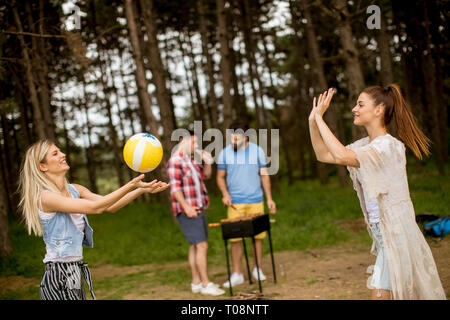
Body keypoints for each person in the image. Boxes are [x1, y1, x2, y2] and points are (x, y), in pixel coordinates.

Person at [308, 85, 446, 300]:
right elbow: (323, 154)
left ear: (379, 109)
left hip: (396, 235)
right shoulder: (365, 145)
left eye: (360, 104)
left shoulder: (388, 147)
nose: (354, 109)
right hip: (383, 236)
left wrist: (321, 119)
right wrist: (312, 121)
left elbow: (343, 156)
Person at [18, 139, 169, 300]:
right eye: (55, 153)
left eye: (60, 151)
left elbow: (110, 206)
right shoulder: (46, 197)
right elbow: (97, 208)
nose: (63, 155)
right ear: (43, 166)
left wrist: (141, 190)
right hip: (59, 276)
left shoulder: (75, 189)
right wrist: (131, 185)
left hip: (75, 271)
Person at [216, 122, 276, 288]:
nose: (233, 141)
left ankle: (257, 269)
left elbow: (264, 176)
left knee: (257, 237)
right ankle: (237, 274)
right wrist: (225, 194)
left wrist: (269, 198)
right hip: (235, 203)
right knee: (235, 239)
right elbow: (220, 177)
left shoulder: (257, 151)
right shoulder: (224, 153)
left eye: (236, 138)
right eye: (231, 137)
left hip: (256, 200)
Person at [166, 130, 225, 296]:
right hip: (188, 211)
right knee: (202, 245)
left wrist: (208, 162)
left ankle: (196, 282)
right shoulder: (175, 161)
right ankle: (206, 284)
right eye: (194, 142)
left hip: (198, 209)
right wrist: (186, 207)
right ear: (183, 141)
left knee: (195, 245)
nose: (197, 146)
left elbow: (206, 175)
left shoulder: (191, 160)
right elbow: (175, 188)